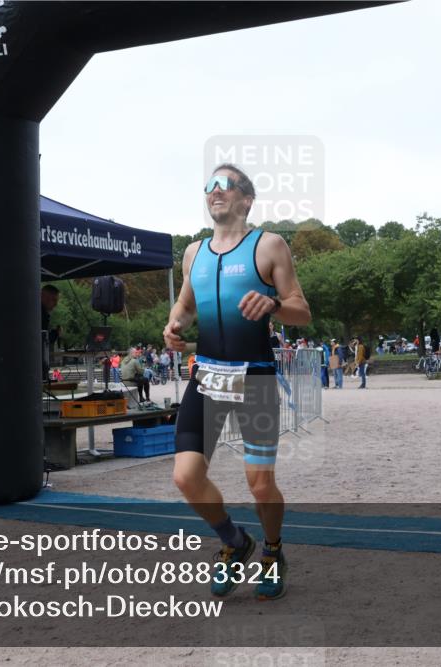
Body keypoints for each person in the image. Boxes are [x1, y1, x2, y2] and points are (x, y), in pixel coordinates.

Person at [163, 163, 311, 601]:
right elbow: (186, 305)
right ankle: (233, 540)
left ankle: (273, 550)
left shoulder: (269, 245)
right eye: (208, 185)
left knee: (259, 483)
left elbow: (301, 310)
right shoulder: (193, 253)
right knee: (186, 477)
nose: (214, 191)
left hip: (256, 378)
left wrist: (271, 304)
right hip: (207, 377)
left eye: (225, 185)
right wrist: (174, 325)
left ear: (246, 199)